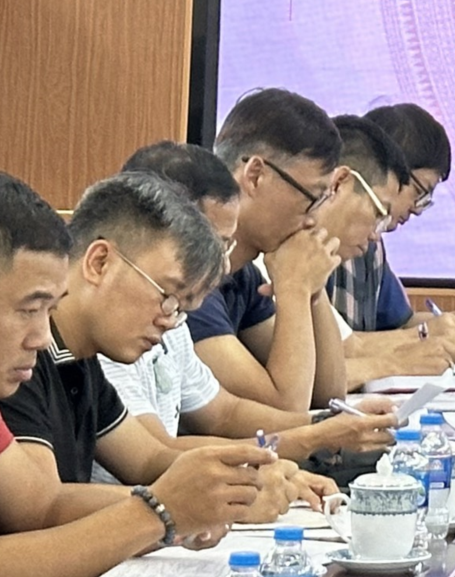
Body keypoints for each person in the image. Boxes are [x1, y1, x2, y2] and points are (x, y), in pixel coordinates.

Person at [0, 172, 271, 577]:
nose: (42, 337)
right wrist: (156, 512)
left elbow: (42, 506)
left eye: (49, 309)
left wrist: (181, 506)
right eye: (28, 309)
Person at [0, 173, 314, 521]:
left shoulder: (81, 361)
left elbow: (149, 459)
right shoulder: (18, 356)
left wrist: (249, 476)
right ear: (100, 262)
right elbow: (41, 507)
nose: (168, 321)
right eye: (166, 296)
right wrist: (178, 506)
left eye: (179, 309)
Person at [106, 144, 397, 473]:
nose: (221, 264)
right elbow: (154, 457)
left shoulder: (176, 312)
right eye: (210, 245)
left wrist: (330, 424)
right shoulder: (120, 325)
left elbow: (225, 412)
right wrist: (316, 437)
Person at [187, 89, 348, 410]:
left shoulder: (243, 276)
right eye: (311, 197)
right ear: (255, 176)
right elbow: (286, 407)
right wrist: (295, 288)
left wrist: (313, 290)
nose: (314, 219)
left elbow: (328, 394)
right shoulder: (190, 277)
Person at [332, 103, 455, 374]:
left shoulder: (370, 244)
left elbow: (397, 324)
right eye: (419, 193)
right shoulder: (315, 245)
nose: (417, 209)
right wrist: (425, 338)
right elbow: (342, 349)